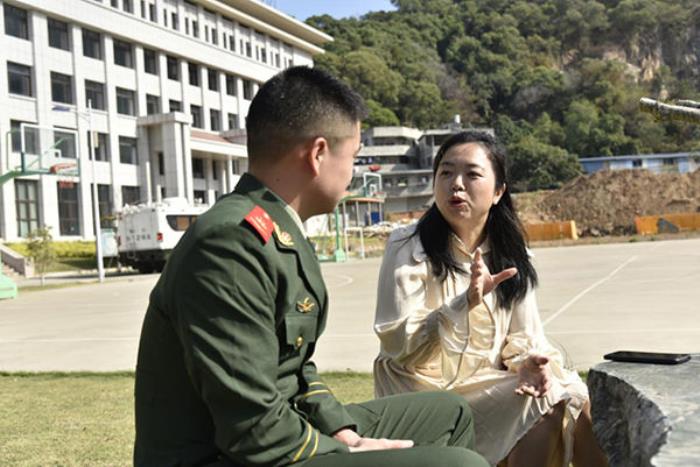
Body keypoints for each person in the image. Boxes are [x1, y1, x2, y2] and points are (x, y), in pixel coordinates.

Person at [133, 66, 488, 467]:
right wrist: (347, 450)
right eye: (353, 157)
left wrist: (339, 428)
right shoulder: (230, 244)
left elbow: (294, 368)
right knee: (462, 466)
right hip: (226, 456)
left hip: (274, 430)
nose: (353, 172)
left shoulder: (275, 230)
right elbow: (253, 430)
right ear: (318, 154)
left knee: (449, 413)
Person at [373, 131, 609, 467]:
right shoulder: (407, 245)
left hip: (483, 386)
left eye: (471, 174)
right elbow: (399, 344)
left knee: (572, 398)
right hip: (419, 392)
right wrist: (463, 303)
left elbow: (525, 336)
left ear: (498, 192)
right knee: (544, 404)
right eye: (446, 172)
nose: (456, 184)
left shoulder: (510, 253)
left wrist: (527, 364)